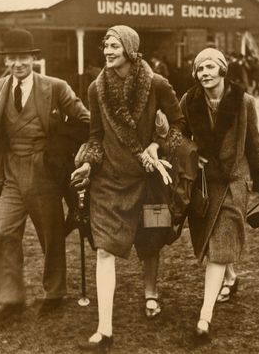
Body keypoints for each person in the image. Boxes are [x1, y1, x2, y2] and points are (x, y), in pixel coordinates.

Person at [71, 25, 184, 351]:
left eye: (114, 45)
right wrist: (89, 163)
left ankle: (151, 292)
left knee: (152, 240)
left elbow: (178, 124)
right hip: (109, 180)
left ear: (131, 49)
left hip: (152, 180)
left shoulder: (157, 83)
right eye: (105, 45)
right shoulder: (96, 88)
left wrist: (156, 146)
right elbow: (95, 136)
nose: (107, 50)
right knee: (104, 249)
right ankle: (104, 328)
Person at [0, 28, 90, 323]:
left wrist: (61, 147)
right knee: (5, 234)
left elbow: (85, 121)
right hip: (12, 172)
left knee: (50, 235)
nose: (18, 64)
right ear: (6, 61)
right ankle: (10, 299)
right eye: (12, 59)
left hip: (44, 171)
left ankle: (54, 293)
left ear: (33, 59)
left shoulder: (56, 87)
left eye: (23, 58)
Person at [180, 48, 259, 340]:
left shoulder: (243, 102)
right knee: (212, 243)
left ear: (222, 70)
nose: (204, 73)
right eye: (199, 69)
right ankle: (231, 279)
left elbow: (254, 143)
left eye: (210, 67)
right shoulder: (189, 101)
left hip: (234, 181)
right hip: (206, 184)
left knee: (219, 245)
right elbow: (177, 135)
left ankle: (204, 318)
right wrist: (193, 153)